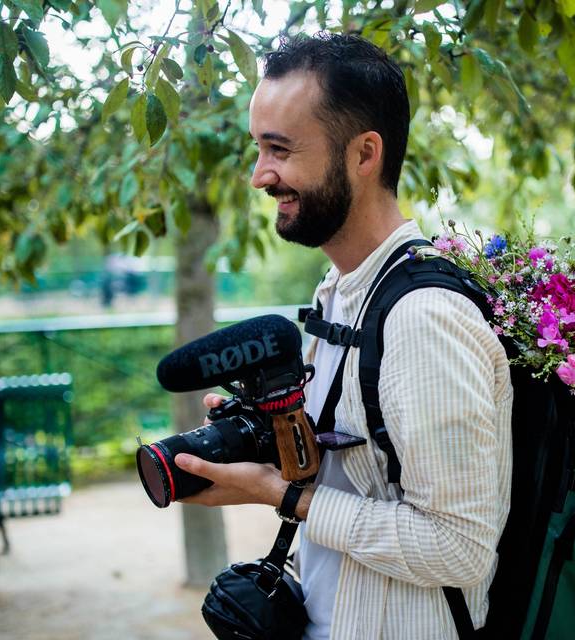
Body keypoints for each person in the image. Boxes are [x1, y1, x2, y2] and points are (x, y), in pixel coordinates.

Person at [174, 33, 513, 640]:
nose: (260, 176)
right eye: (258, 149)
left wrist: (281, 496)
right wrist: (266, 442)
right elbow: (366, 472)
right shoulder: (343, 289)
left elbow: (459, 547)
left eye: (279, 149)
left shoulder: (423, 318)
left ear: (364, 154)